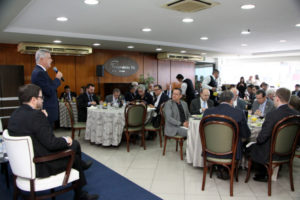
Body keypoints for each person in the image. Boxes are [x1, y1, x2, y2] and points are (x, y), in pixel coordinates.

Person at [7, 84, 98, 200]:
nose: (42, 100)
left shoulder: (14, 114)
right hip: (39, 165)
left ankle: (81, 167)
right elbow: (51, 143)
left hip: (21, 164)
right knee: (73, 153)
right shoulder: (36, 115)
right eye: (41, 97)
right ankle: (80, 194)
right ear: (33, 100)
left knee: (74, 145)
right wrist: (65, 139)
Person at [248, 88, 299, 182]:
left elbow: (262, 137)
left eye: (274, 96)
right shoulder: (297, 115)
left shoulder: (272, 115)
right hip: (289, 151)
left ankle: (263, 173)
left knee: (251, 146)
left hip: (271, 153)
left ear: (277, 98)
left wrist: (256, 141)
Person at [203, 90, 251, 179]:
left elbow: (203, 132)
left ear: (219, 100)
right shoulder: (239, 113)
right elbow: (246, 134)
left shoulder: (207, 112)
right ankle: (227, 168)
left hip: (210, 150)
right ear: (232, 100)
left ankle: (220, 167)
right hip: (231, 153)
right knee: (240, 140)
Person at [31, 49, 63, 125]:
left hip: (48, 109)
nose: (51, 60)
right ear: (42, 59)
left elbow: (49, 87)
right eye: (49, 58)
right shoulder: (39, 73)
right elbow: (49, 90)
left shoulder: (41, 72)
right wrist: (57, 79)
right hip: (46, 109)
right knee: (46, 134)